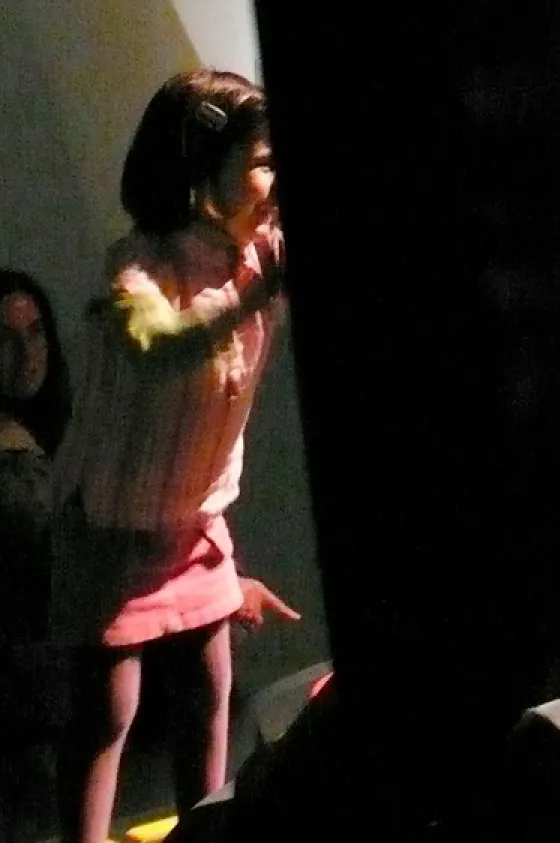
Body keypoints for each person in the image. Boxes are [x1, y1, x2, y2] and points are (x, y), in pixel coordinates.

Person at [50, 69, 300, 843]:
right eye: (262, 162)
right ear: (201, 166)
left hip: (195, 525)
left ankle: (206, 832)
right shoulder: (141, 262)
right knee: (107, 711)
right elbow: (154, 343)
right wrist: (250, 298)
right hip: (110, 526)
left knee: (208, 693)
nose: (274, 180)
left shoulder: (262, 251)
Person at [0, 268, 72, 841]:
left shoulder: (50, 440)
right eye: (6, 338)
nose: (26, 354)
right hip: (22, 715)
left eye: (35, 332)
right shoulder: (16, 469)